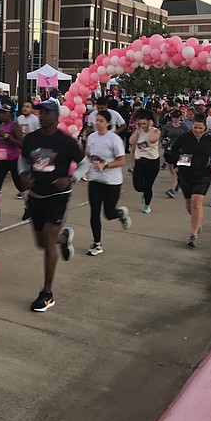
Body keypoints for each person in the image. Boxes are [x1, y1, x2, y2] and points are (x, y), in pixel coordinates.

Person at [19, 100, 90, 312]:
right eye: (40, 112)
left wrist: (72, 178)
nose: (41, 115)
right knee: (42, 243)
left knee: (48, 240)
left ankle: (47, 294)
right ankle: (64, 238)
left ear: (56, 116)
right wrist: (24, 175)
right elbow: (23, 161)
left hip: (58, 195)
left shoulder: (66, 141)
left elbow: (85, 163)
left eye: (46, 112)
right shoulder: (31, 139)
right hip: (36, 195)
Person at [84, 110, 132, 256]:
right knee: (94, 212)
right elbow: (88, 156)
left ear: (108, 123)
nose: (97, 123)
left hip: (112, 181)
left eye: (101, 121)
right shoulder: (91, 137)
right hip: (95, 180)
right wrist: (85, 169)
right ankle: (97, 243)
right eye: (96, 121)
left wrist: (105, 165)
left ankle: (120, 213)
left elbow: (121, 161)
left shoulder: (114, 139)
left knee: (109, 213)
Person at [171, 114, 211, 247]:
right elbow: (174, 150)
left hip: (203, 174)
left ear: (205, 128)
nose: (197, 130)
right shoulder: (184, 137)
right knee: (189, 204)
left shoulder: (209, 139)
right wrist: (175, 165)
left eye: (200, 128)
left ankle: (193, 235)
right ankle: (197, 223)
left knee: (197, 202)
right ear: (191, 127)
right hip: (185, 174)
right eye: (195, 128)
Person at [0, 104, 24, 227]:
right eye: (0, 112)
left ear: (11, 114)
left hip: (13, 160)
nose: (2, 114)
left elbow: (22, 143)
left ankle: (31, 209)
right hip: (1, 160)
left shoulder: (14, 126)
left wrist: (7, 137)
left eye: (5, 112)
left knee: (21, 186)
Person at [129, 109, 160, 214]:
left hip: (152, 161)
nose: (142, 126)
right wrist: (137, 130)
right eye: (140, 123)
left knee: (148, 185)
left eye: (144, 123)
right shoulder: (139, 131)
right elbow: (131, 141)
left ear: (149, 122)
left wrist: (150, 128)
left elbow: (152, 139)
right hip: (140, 160)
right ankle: (144, 193)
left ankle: (147, 205)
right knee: (137, 186)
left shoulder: (155, 131)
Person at [161, 110, 189, 198]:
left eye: (177, 117)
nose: (175, 119)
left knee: (183, 171)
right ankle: (172, 189)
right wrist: (163, 141)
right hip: (170, 151)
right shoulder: (167, 126)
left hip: (183, 151)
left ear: (180, 117)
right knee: (173, 171)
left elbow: (189, 136)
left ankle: (176, 185)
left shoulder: (184, 127)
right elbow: (162, 136)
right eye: (174, 117)